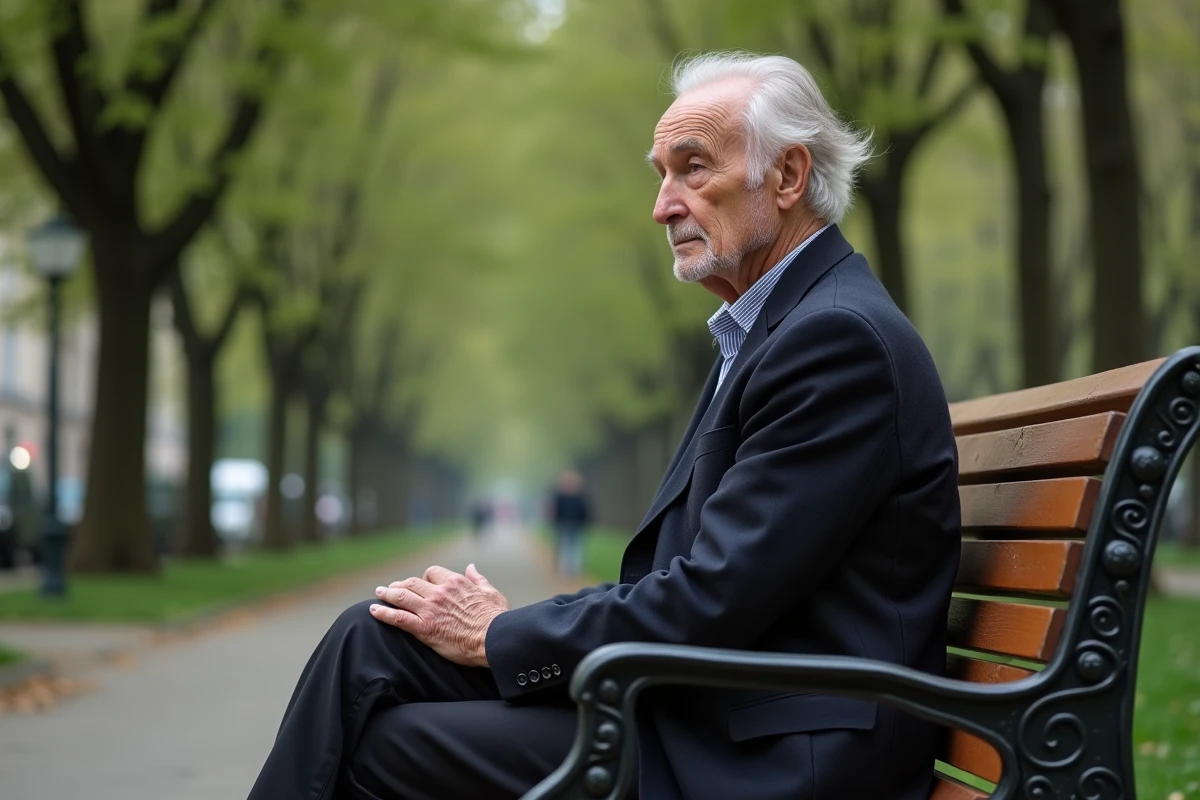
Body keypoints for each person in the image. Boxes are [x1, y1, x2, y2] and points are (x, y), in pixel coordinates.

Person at [248, 51, 960, 800]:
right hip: (712, 707)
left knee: (391, 747)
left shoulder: (836, 341)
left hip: (775, 751)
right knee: (372, 637)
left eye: (692, 169)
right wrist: (504, 632)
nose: (663, 206)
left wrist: (500, 634)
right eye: (661, 174)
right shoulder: (775, 330)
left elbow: (713, 597)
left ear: (787, 176)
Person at [549, 470, 589, 576]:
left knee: (574, 546)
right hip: (566, 524)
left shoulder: (577, 497)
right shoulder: (572, 497)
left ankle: (572, 569)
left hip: (573, 524)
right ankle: (570, 569)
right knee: (569, 546)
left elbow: (584, 511)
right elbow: (557, 511)